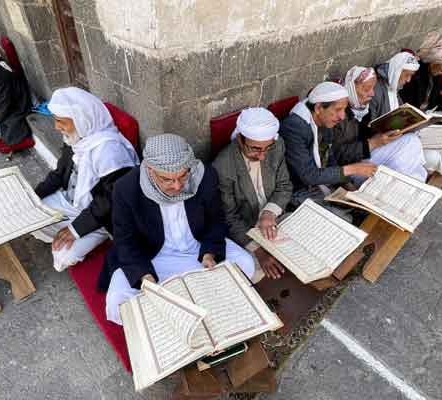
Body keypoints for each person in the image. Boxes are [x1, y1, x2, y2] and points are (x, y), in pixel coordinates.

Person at [101, 134, 255, 325]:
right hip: (155, 257)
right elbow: (125, 241)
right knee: (118, 301)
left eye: (183, 176)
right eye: (167, 179)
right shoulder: (126, 188)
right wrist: (145, 277)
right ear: (150, 170)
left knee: (246, 263)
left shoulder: (204, 175)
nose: (177, 186)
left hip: (197, 250)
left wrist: (209, 253)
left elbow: (216, 221)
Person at [32, 88, 139, 271]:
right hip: (70, 202)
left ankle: (92, 236)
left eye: (60, 121)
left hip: (101, 216)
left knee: (64, 256)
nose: (56, 127)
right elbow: (58, 174)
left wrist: (75, 230)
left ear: (81, 120)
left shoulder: (110, 152)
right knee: (30, 219)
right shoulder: (78, 137)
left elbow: (110, 201)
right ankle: (61, 231)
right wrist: (32, 196)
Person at [213, 108, 293, 281]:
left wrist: (268, 213)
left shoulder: (277, 146)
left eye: (267, 148)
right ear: (240, 140)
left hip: (274, 218)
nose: (263, 156)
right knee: (253, 272)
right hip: (247, 228)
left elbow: (284, 186)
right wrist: (258, 250)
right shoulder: (223, 166)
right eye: (255, 149)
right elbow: (229, 217)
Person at [280, 81, 377, 214]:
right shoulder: (295, 127)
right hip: (301, 190)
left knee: (366, 206)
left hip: (322, 183)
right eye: (338, 110)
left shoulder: (325, 121)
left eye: (344, 109)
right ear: (319, 108)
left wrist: (349, 187)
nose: (343, 116)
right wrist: (353, 169)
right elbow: (308, 176)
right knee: (345, 219)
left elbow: (329, 158)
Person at [333, 66, 427, 182]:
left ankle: (400, 185)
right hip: (353, 169)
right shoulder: (339, 116)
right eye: (367, 89)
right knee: (411, 142)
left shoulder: (364, 109)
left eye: (373, 88)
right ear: (351, 88)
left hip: (367, 155)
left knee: (418, 172)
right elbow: (337, 155)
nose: (372, 94)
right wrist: (372, 143)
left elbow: (369, 133)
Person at [370, 52, 442, 175]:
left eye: (411, 76)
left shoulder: (394, 88)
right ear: (397, 71)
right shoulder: (376, 90)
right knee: (412, 140)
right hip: (376, 146)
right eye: (407, 75)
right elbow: (371, 127)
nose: (408, 80)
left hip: (393, 140)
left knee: (421, 173)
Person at [400, 34, 442, 111]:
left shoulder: (435, 74)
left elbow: (434, 94)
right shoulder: (416, 75)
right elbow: (408, 101)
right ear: (433, 63)